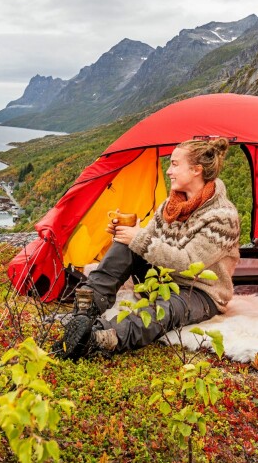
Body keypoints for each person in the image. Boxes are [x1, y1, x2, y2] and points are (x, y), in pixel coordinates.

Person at [54, 137, 241, 360]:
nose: (169, 171)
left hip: (199, 291)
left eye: (174, 164)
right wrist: (129, 233)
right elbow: (149, 240)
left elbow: (188, 263)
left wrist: (139, 238)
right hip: (162, 278)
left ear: (196, 170)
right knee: (126, 245)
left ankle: (98, 338)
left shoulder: (222, 217)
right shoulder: (170, 206)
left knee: (167, 309)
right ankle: (85, 312)